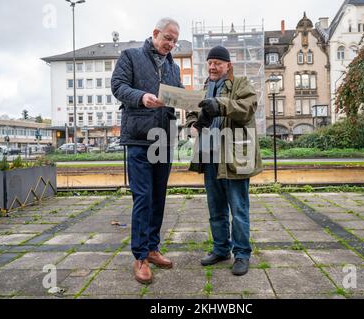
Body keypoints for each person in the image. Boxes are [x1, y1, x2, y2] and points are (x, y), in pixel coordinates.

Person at [112, 17, 182, 284]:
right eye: (168, 38)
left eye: (175, 41)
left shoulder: (173, 67)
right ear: (155, 33)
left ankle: (152, 248)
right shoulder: (130, 56)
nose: (171, 44)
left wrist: (189, 100)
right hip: (140, 137)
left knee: (159, 197)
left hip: (164, 138)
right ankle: (140, 256)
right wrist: (141, 97)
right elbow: (118, 87)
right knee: (143, 197)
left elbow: (177, 95)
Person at [186, 46, 263, 276]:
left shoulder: (241, 83)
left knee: (238, 209)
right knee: (216, 209)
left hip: (234, 158)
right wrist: (192, 123)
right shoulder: (204, 87)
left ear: (228, 66)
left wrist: (220, 105)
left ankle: (242, 254)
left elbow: (248, 108)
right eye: (210, 62)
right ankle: (221, 249)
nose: (212, 66)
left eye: (218, 63)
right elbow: (193, 111)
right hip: (210, 157)